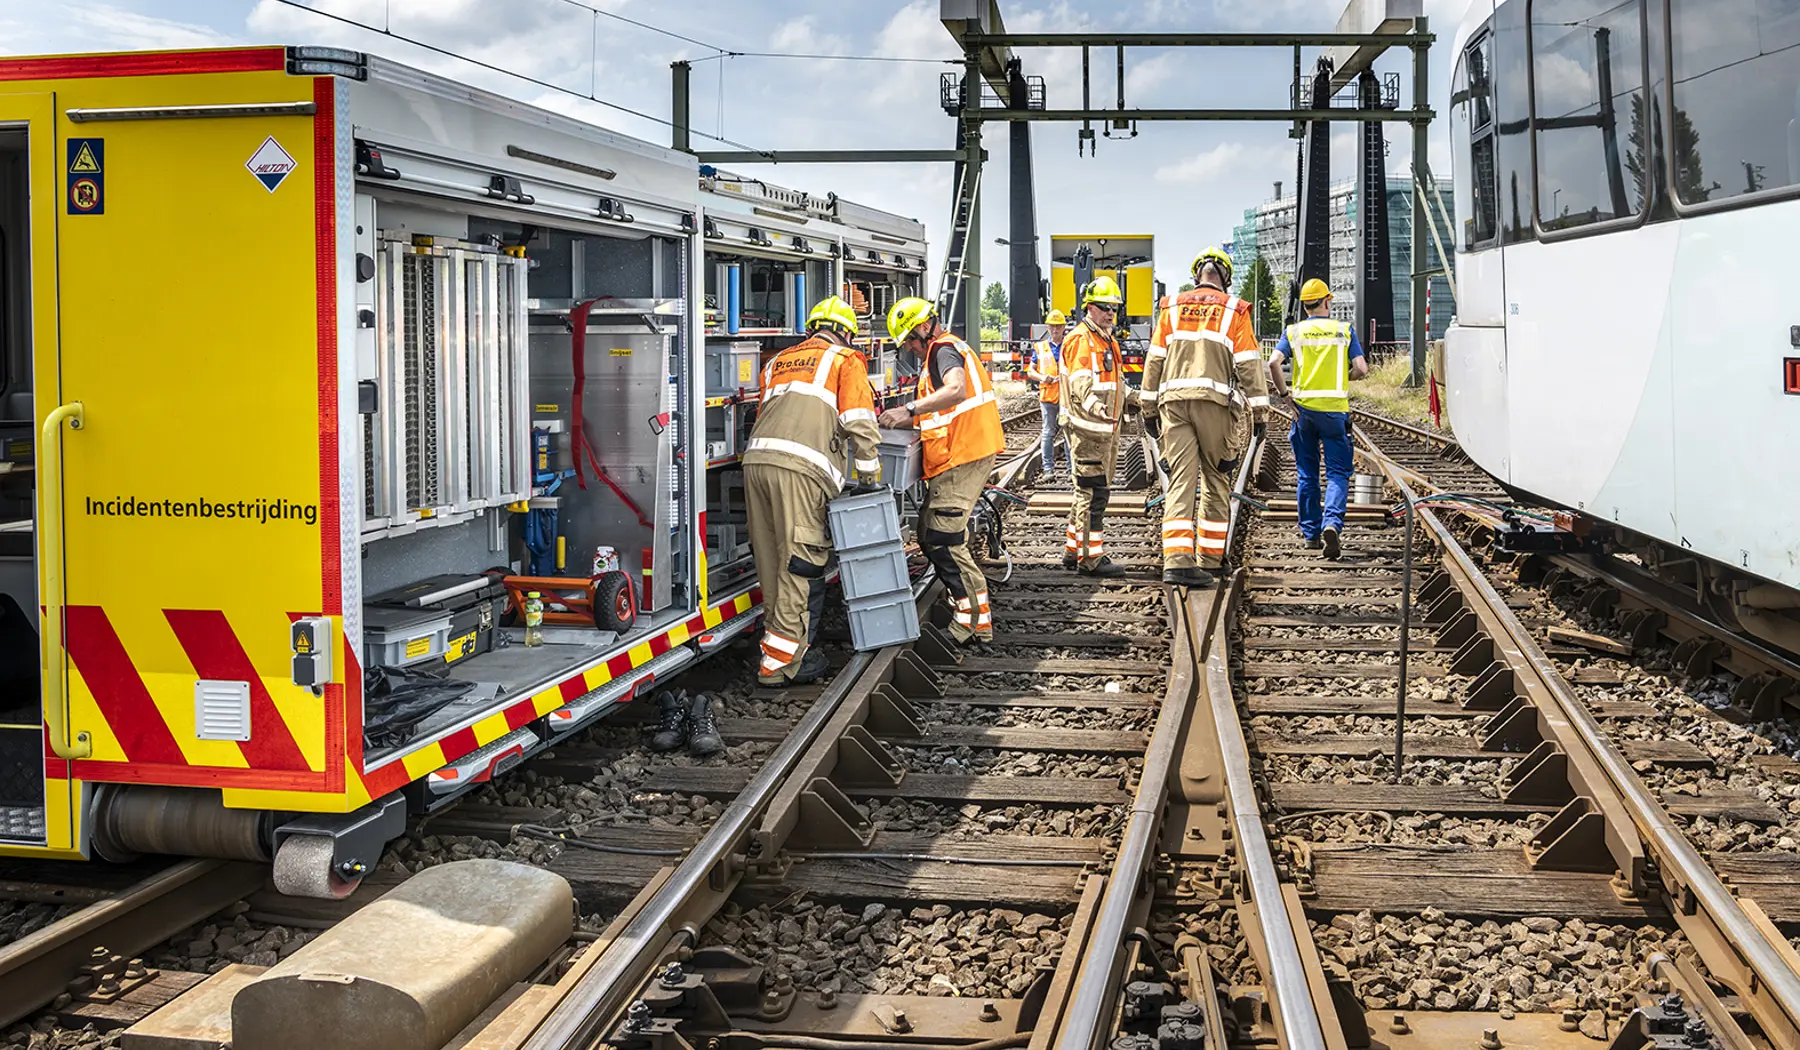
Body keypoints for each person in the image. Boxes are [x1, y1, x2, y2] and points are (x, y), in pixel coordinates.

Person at [740, 295, 882, 687]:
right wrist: (869, 478)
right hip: (800, 471)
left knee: (771, 559)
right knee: (800, 562)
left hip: (756, 465)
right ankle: (783, 664)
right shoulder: (844, 360)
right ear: (845, 332)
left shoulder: (777, 362)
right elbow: (860, 423)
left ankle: (778, 646)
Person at [878, 298, 1005, 645]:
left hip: (965, 453)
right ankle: (977, 622)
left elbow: (955, 390)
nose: (910, 349)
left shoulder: (943, 350)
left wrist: (908, 410)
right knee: (931, 533)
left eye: (909, 341)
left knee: (942, 537)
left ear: (923, 328)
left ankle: (968, 623)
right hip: (960, 454)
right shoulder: (943, 349)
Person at [1141, 248, 1271, 586]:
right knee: (1216, 478)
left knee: (1181, 481)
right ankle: (1210, 559)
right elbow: (1248, 364)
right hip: (1214, 405)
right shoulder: (1234, 309)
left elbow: (1154, 360)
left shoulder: (1171, 307)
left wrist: (1148, 408)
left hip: (1174, 404)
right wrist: (1259, 411)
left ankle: (1177, 561)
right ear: (1225, 277)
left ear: (1197, 274)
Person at [1267, 278, 1369, 560]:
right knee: (1337, 472)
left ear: (1304, 305)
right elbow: (1362, 368)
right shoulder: (1343, 330)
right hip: (1335, 412)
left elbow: (1273, 362)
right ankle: (1332, 523)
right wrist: (1344, 376)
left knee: (1307, 473)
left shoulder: (1294, 331)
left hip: (1303, 412)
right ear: (1327, 301)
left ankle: (1311, 534)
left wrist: (1284, 395)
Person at [1059, 276, 1136, 578]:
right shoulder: (1082, 339)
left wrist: (1140, 399)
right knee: (1092, 494)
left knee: (1087, 491)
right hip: (1088, 428)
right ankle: (1090, 559)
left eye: (1114, 308)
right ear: (1089, 307)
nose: (1110, 313)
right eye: (1104, 307)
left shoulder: (1107, 339)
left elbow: (1115, 384)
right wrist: (1094, 406)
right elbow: (1080, 383)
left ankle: (1072, 550)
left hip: (1103, 429)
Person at [1025, 309, 1067, 475]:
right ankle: (1048, 469)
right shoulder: (1041, 347)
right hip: (1048, 396)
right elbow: (1030, 371)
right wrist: (1043, 378)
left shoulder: (1069, 346)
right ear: (1048, 328)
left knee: (1068, 434)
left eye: (1058, 326)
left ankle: (1071, 471)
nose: (1055, 330)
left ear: (1063, 327)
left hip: (1066, 396)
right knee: (1048, 432)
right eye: (1052, 327)